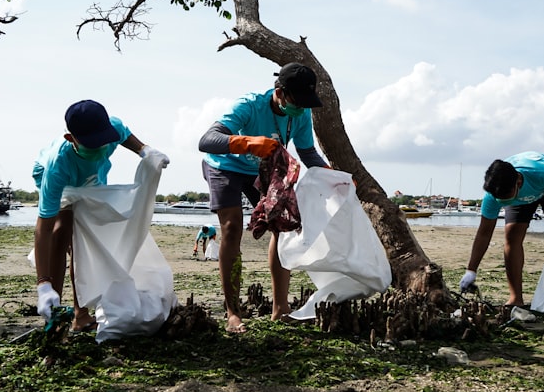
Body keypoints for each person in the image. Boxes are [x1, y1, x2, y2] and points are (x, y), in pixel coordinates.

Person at [198, 62, 329, 333]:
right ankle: (233, 312)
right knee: (232, 227)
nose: (301, 108)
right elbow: (207, 140)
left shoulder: (300, 114)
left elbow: (308, 153)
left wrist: (332, 175)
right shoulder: (248, 105)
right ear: (279, 93)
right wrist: (246, 142)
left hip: (260, 169)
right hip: (224, 166)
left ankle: (280, 309)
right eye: (297, 100)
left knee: (282, 227)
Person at [32, 99, 168, 332]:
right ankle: (52, 312)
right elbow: (42, 228)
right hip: (62, 180)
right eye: (91, 144)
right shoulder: (57, 165)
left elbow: (126, 136)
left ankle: (80, 314)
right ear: (71, 138)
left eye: (102, 142)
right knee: (61, 231)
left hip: (91, 180)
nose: (99, 148)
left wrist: (145, 151)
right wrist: (42, 284)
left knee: (83, 243)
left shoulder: (111, 130)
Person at [459, 152, 544, 308]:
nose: (503, 201)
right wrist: (471, 270)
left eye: (506, 197)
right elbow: (484, 233)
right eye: (500, 199)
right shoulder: (494, 195)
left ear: (518, 182)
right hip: (521, 196)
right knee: (512, 236)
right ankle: (516, 298)